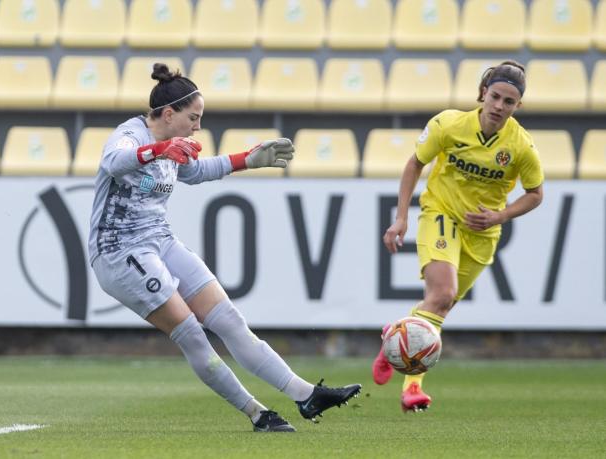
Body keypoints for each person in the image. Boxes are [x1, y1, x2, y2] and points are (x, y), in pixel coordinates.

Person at [89, 63, 361, 432]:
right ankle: (257, 413)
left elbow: (195, 171)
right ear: (169, 114)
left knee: (230, 322)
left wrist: (247, 160)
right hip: (120, 253)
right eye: (194, 118)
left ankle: (306, 394)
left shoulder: (173, 146)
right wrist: (159, 149)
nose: (197, 126)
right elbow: (113, 161)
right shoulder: (130, 134)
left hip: (159, 240)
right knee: (193, 334)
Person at [372, 60, 544, 412]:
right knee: (443, 293)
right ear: (483, 93)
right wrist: (401, 217)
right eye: (495, 96)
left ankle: (395, 337)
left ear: (518, 106)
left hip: (482, 233)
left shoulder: (522, 147)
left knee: (440, 305)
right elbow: (414, 163)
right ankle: (412, 389)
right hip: (442, 213)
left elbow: (536, 194)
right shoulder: (448, 124)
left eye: (509, 102)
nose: (499, 106)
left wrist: (501, 214)